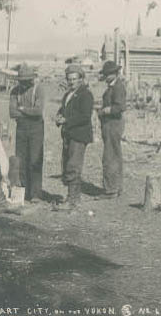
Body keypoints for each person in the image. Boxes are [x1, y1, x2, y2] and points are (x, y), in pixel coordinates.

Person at [55, 64, 94, 211]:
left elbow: (84, 116)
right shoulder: (68, 94)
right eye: (69, 79)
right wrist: (59, 116)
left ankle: (73, 200)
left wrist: (66, 120)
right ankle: (73, 197)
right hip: (68, 135)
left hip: (79, 135)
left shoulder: (85, 95)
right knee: (67, 165)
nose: (71, 82)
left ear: (81, 79)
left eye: (74, 79)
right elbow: (64, 109)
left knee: (73, 166)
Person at [9, 62, 45, 203]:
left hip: (36, 129)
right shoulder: (14, 91)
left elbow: (38, 111)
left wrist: (22, 109)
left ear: (31, 79)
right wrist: (26, 111)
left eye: (26, 81)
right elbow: (12, 113)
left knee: (35, 160)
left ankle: (36, 193)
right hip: (21, 129)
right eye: (21, 81)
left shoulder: (39, 89)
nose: (24, 84)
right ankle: (23, 191)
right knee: (21, 161)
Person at [97, 61, 126, 199]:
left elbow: (119, 107)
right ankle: (116, 187)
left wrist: (104, 111)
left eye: (107, 74)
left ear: (114, 74)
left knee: (110, 157)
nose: (105, 77)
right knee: (114, 155)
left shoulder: (118, 87)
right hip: (110, 124)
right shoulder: (113, 86)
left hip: (113, 124)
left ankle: (111, 190)